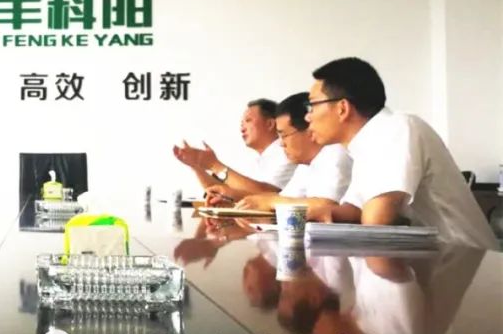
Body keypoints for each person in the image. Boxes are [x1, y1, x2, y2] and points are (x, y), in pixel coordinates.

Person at [305, 57, 496, 250]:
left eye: (312, 105)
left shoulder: (398, 127)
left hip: (467, 258)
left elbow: (377, 221)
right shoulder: (366, 143)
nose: (307, 116)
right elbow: (355, 210)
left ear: (342, 108)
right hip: (429, 257)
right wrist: (317, 213)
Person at [226, 92, 359, 223]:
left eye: (284, 135)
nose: (281, 144)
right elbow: (285, 199)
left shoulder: (335, 153)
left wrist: (271, 201)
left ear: (309, 130)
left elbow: (325, 206)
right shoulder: (305, 165)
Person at [173, 99, 297, 200]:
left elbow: (269, 196)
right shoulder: (260, 158)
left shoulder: (286, 153)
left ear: (270, 124)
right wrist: (196, 166)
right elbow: (225, 193)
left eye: (248, 121)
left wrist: (214, 165)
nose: (242, 128)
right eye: (241, 123)